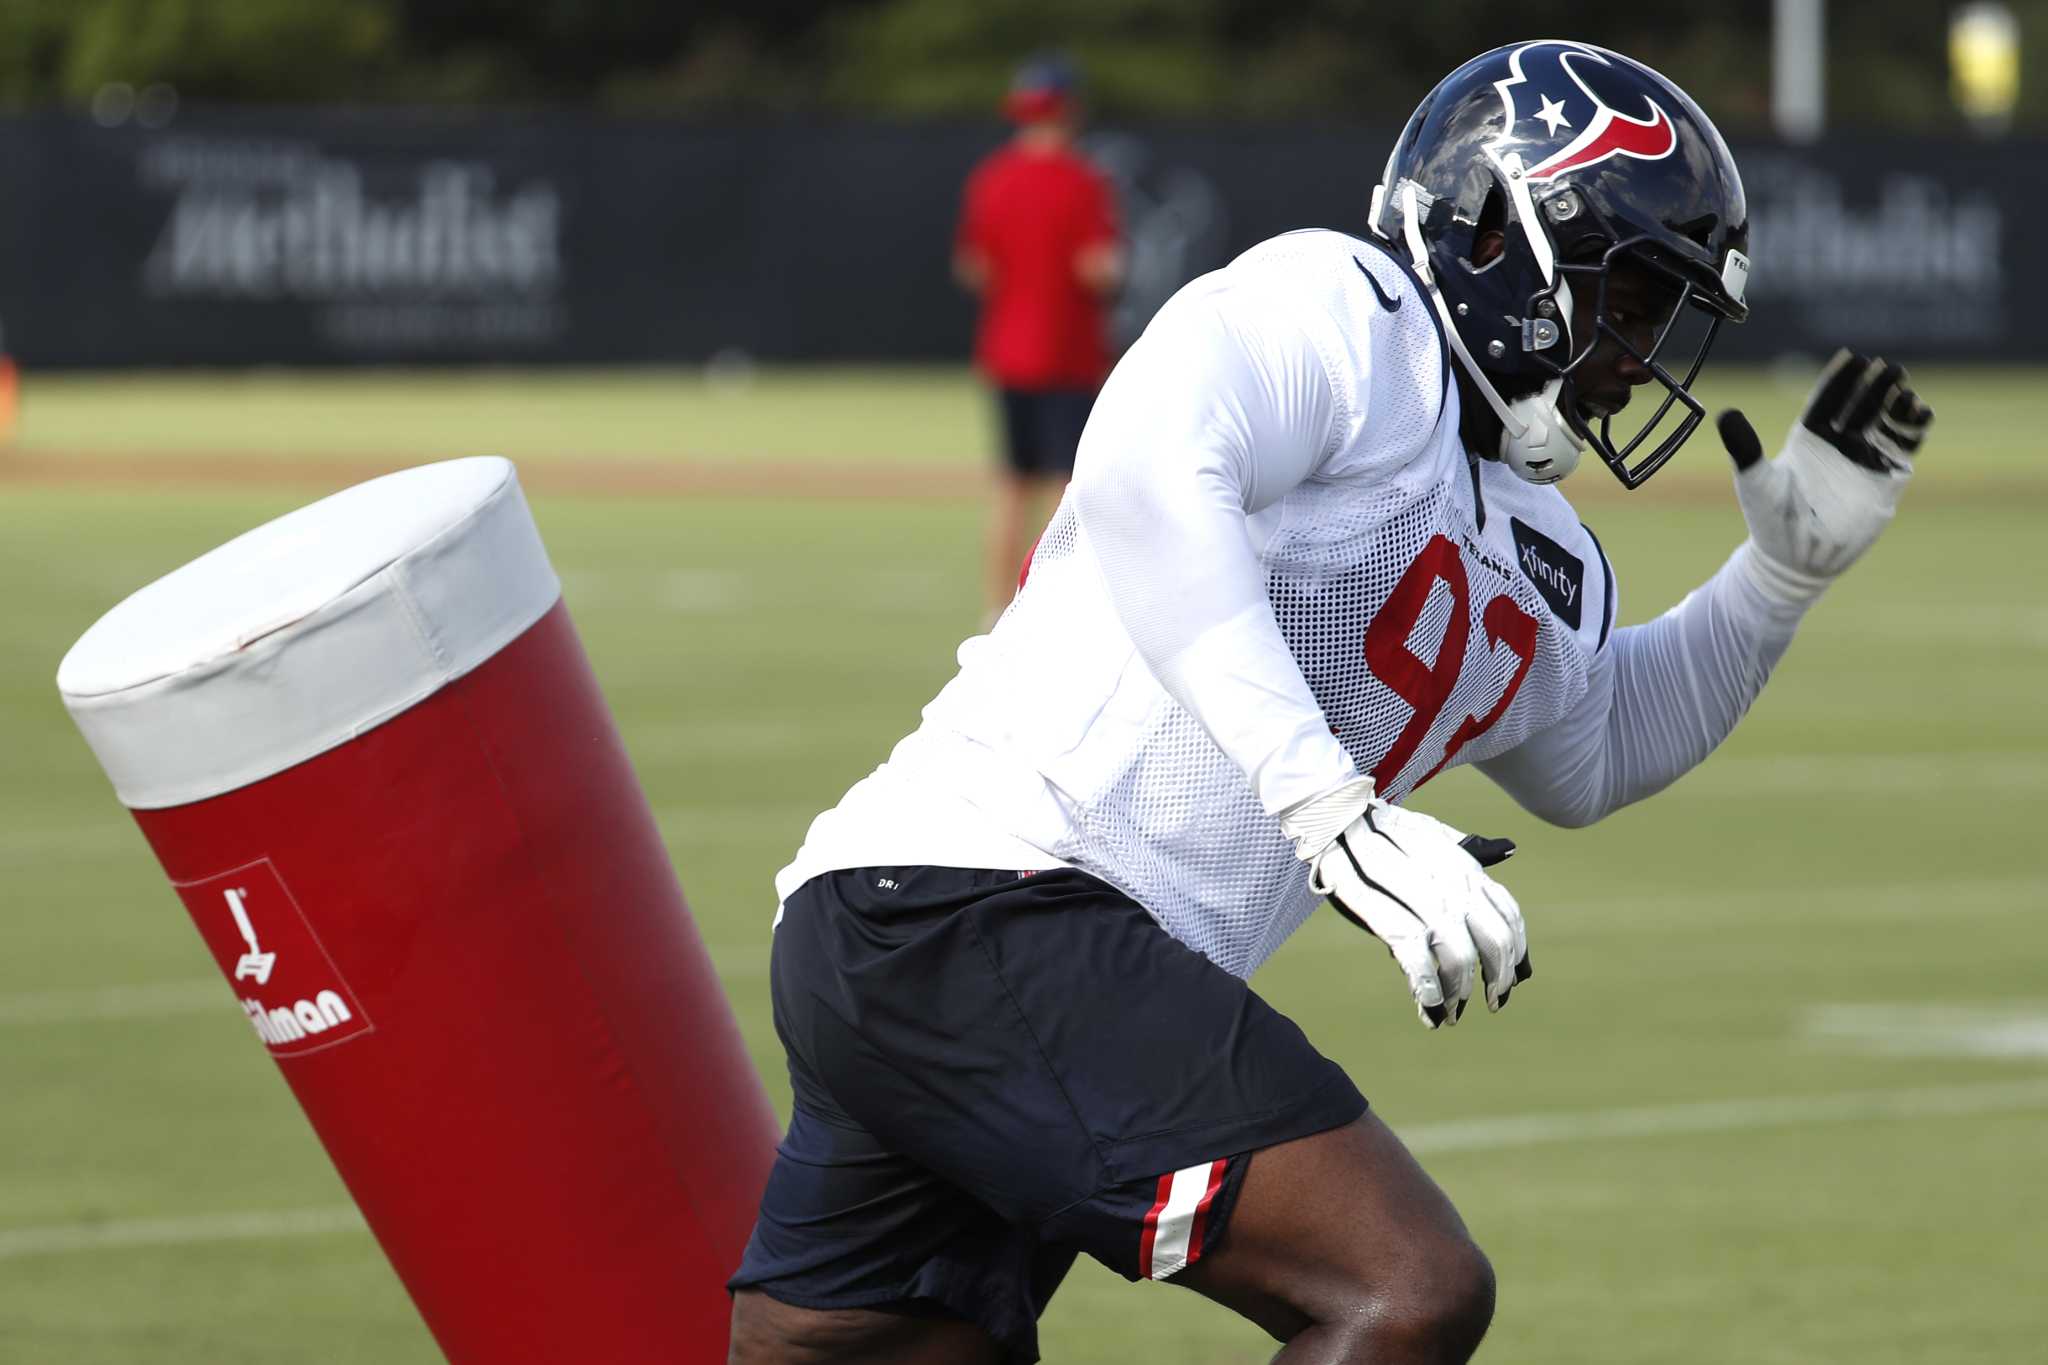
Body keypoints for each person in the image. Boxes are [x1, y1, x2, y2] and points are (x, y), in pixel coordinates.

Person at [729, 39, 1931, 1365]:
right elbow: (1144, 466)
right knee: (1403, 1287)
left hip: (921, 937)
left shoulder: (1540, 539)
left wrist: (1772, 584)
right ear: (1500, 236)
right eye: (1633, 299)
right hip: (995, 900)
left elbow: (1592, 751)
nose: (1643, 359)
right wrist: (1321, 797)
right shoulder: (1355, 317)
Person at [953, 53, 1125, 617]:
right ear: (1069, 110)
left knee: (1009, 485)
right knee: (1067, 491)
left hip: (1007, 353)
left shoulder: (991, 178)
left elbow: (974, 268)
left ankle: (996, 607)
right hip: (1069, 355)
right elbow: (1098, 268)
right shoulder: (1082, 182)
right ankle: (1058, 608)